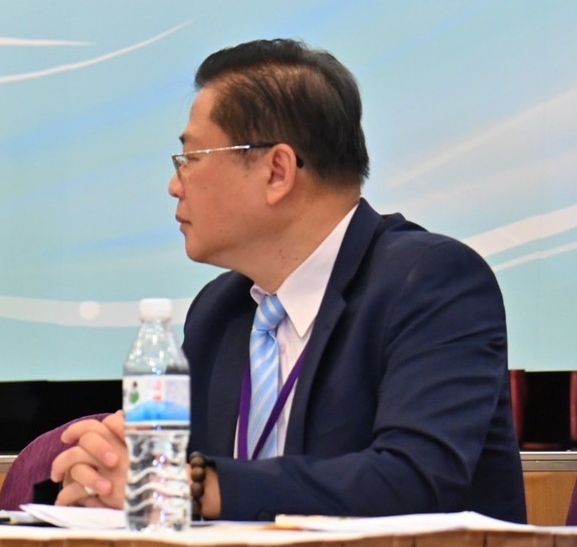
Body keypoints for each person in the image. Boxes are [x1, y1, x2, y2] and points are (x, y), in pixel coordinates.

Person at [52, 39, 526, 522]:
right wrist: (110, 476)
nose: (175, 185)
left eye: (190, 158)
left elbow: (414, 481)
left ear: (277, 171)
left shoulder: (431, 282)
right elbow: (170, 484)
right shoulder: (218, 311)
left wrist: (187, 488)